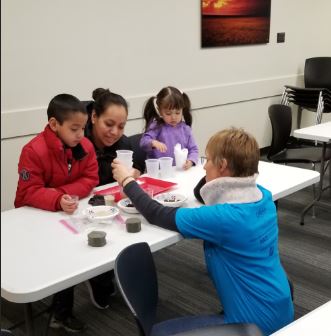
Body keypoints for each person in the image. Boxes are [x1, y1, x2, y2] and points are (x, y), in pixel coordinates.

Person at [112, 128, 294, 335]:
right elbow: (205, 192)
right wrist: (215, 175)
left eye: (208, 160)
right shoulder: (263, 196)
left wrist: (127, 181)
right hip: (281, 306)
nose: (204, 165)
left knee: (159, 333)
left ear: (223, 165)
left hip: (255, 326)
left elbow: (156, 213)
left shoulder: (224, 218)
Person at [15, 93, 99, 332]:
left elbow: (90, 178)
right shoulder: (33, 151)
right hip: (35, 217)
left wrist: (60, 194)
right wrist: (57, 198)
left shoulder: (85, 146)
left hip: (67, 213)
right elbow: (27, 192)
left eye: (83, 128)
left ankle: (61, 313)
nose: (81, 135)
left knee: (72, 258)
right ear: (54, 124)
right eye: (75, 129)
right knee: (57, 262)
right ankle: (53, 312)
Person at [83, 88, 144, 311]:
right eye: (109, 124)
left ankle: (112, 271)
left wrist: (134, 173)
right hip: (81, 205)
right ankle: (98, 276)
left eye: (121, 126)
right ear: (93, 117)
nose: (115, 132)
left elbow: (135, 170)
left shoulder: (124, 145)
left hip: (111, 206)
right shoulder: (77, 143)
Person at [140, 86, 199, 169]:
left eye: (177, 113)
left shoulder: (185, 129)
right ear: (160, 111)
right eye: (168, 113)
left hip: (179, 171)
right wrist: (153, 143)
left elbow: (193, 150)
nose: (173, 117)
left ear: (182, 109)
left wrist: (190, 161)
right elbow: (143, 142)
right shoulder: (156, 126)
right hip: (159, 172)